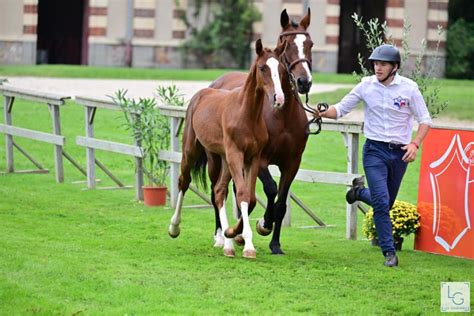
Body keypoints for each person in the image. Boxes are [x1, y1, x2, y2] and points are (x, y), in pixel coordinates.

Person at [315, 44, 432, 267]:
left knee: (385, 205)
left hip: (399, 154)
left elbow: (425, 121)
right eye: (376, 63)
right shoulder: (365, 86)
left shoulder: (409, 88)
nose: (378, 68)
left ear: (394, 67)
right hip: (374, 151)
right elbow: (340, 109)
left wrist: (415, 144)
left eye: (383, 64)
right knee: (381, 202)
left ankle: (358, 192)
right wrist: (322, 112)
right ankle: (389, 253)